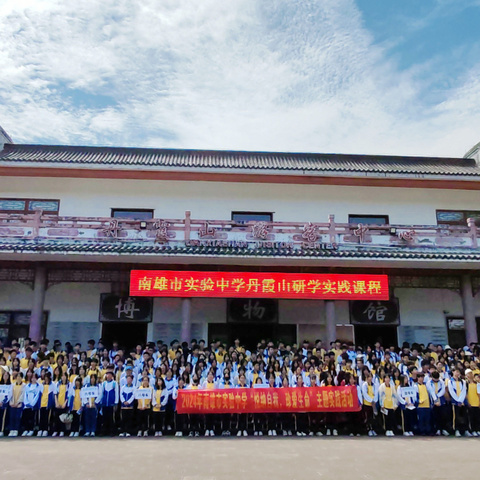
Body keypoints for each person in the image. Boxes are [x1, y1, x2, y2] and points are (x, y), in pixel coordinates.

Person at [447, 368, 468, 437]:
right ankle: (456, 430)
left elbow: (464, 391)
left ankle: (464, 430)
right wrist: (457, 400)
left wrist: (461, 400)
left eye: (458, 372)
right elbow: (451, 391)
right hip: (455, 401)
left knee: (464, 416)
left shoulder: (463, 381)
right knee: (455, 416)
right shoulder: (450, 381)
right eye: (456, 371)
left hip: (462, 401)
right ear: (453, 372)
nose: (457, 373)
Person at [101, 370, 119, 436]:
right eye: (107, 374)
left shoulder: (115, 383)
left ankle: (112, 431)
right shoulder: (104, 383)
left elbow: (116, 393)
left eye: (110, 375)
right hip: (105, 403)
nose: (108, 376)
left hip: (111, 403)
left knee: (111, 418)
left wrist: (116, 402)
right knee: (104, 418)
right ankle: (104, 431)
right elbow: (101, 393)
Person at [38, 372, 55, 437]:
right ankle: (40, 429)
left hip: (48, 403)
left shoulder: (52, 384)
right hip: (42, 403)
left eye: (47, 378)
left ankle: (46, 429)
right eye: (45, 378)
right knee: (41, 417)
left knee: (47, 417)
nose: (46, 379)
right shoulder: (41, 384)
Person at [52, 371, 69, 437]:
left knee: (63, 418)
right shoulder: (57, 384)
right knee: (56, 418)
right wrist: (56, 402)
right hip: (58, 403)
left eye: (65, 376)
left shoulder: (69, 384)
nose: (63, 377)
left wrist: (65, 403)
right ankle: (56, 430)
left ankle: (62, 431)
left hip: (64, 403)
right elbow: (55, 393)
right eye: (62, 376)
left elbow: (69, 394)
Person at [8, 372, 24, 437]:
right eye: (17, 376)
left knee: (17, 417)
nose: (18, 378)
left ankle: (16, 430)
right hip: (13, 403)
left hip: (19, 404)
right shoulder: (13, 385)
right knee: (12, 417)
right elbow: (10, 394)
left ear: (22, 378)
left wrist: (18, 403)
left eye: (20, 376)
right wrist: (11, 402)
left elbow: (22, 395)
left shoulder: (24, 385)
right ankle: (11, 429)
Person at [465, 369, 480, 436]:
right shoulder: (465, 383)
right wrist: (467, 402)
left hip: (476, 403)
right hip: (470, 403)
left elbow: (479, 394)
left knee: (477, 417)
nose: (470, 375)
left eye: (471, 373)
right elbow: (465, 394)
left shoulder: (477, 384)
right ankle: (473, 430)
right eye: (468, 373)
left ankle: (477, 430)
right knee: (471, 418)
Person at [0, 370, 12, 437]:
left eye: (7, 375)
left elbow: (9, 395)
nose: (5, 376)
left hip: (4, 404)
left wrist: (3, 402)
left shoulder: (10, 386)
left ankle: (2, 430)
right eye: (4, 375)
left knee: (3, 417)